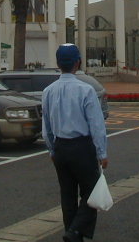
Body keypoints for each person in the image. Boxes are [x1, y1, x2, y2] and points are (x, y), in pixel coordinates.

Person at [42, 44, 108, 242]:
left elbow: (46, 127)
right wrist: (102, 153)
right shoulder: (85, 90)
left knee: (67, 194)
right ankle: (75, 231)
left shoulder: (48, 91)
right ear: (78, 63)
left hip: (60, 147)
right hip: (82, 147)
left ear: (58, 63)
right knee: (91, 191)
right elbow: (96, 124)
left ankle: (72, 234)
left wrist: (52, 149)